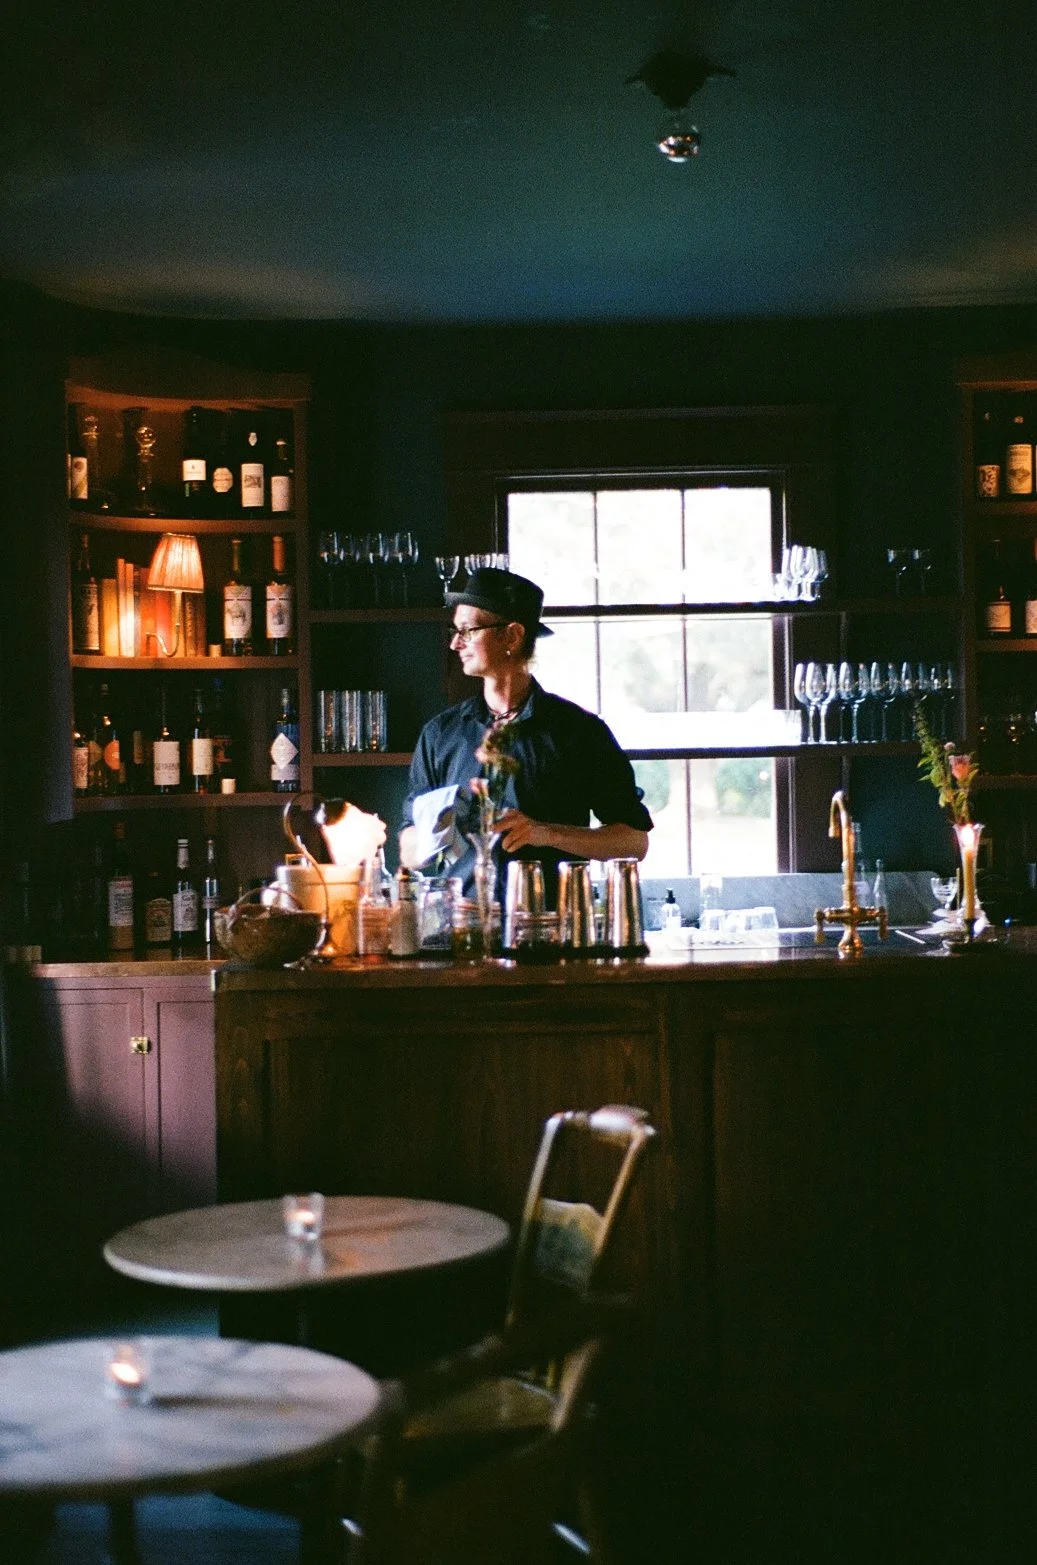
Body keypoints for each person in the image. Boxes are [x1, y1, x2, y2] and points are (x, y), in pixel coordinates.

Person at [399, 566, 652, 902]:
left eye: (468, 630)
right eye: (455, 630)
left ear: (512, 636)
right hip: (460, 929)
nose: (455, 643)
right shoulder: (440, 734)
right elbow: (408, 850)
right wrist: (436, 834)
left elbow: (634, 841)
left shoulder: (579, 732)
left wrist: (546, 833)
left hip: (552, 931)